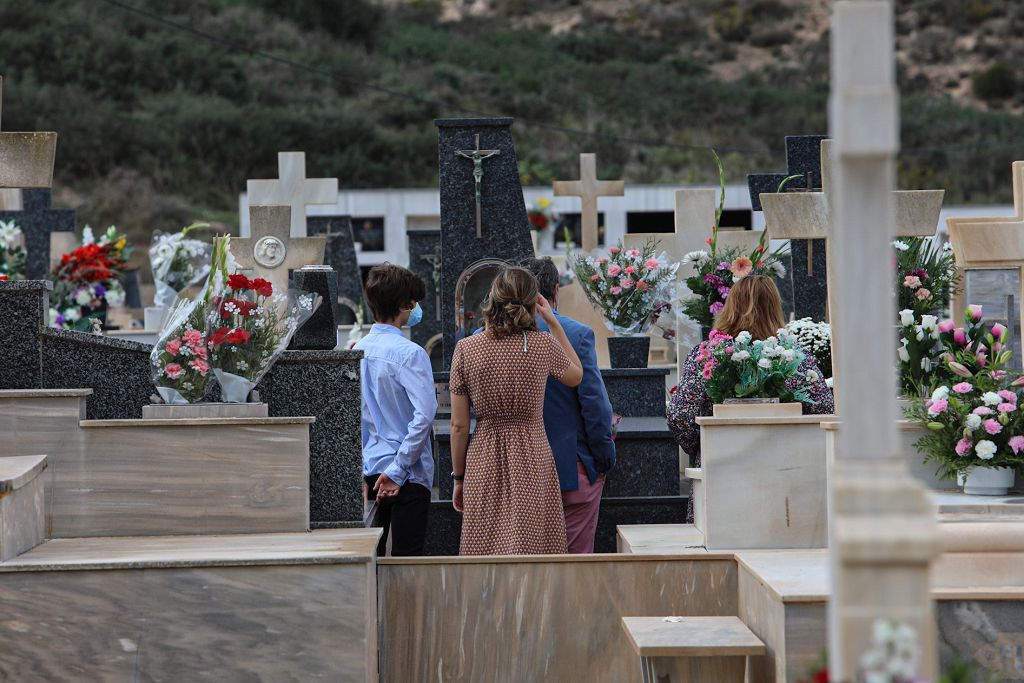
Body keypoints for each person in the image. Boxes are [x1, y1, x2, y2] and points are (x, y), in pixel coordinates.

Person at [667, 275, 834, 523]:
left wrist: (702, 444)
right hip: (787, 474)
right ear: (775, 307)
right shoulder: (795, 357)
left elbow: (681, 415)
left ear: (731, 306)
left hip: (721, 468)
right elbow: (823, 410)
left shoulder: (708, 355)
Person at [449, 265, 584, 555]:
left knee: (484, 546)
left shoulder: (466, 349)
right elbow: (577, 376)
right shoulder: (542, 344)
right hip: (533, 454)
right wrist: (554, 322)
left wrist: (458, 478)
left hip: (484, 456)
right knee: (533, 546)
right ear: (533, 302)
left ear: (493, 299)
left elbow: (459, 426)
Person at [521, 257, 616, 554]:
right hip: (570, 467)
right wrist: (602, 458)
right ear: (554, 293)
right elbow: (593, 402)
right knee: (573, 565)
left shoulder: (481, 340)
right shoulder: (575, 334)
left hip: (514, 468)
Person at [355, 263, 436, 557]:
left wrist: (360, 471)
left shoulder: (357, 350)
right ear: (404, 305)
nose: (416, 308)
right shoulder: (410, 353)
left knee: (370, 562)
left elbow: (355, 418)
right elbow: (425, 415)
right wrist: (399, 469)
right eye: (414, 303)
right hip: (408, 472)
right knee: (408, 561)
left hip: (371, 468)